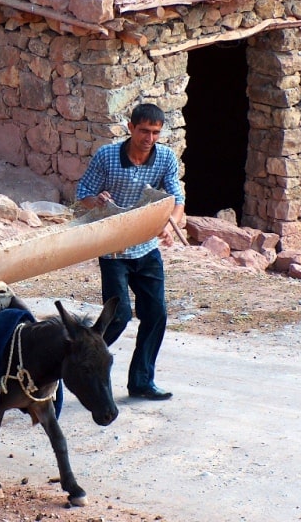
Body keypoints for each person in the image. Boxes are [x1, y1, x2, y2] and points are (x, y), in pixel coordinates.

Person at [76, 103, 185, 401]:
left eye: (155, 133)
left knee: (156, 314)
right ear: (130, 127)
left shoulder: (165, 158)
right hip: (113, 249)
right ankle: (79, 361)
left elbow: (177, 198)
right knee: (119, 317)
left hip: (147, 247)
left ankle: (141, 381)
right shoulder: (108, 156)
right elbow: (82, 192)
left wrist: (169, 224)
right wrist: (97, 199)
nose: (149, 138)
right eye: (144, 131)